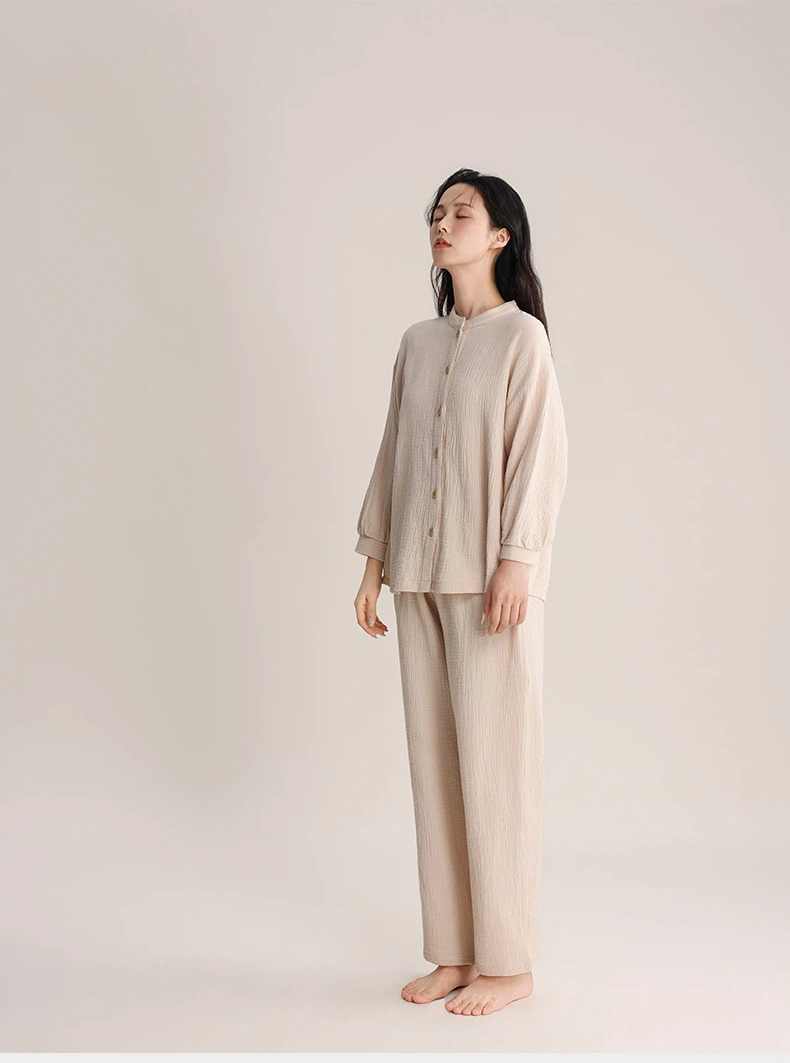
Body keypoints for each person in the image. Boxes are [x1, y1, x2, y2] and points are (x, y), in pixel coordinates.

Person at [353, 168, 569, 1017]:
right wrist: (374, 558)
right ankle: (455, 948)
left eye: (461, 213)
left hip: (490, 583)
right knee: (436, 767)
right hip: (417, 572)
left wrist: (518, 558)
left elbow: (540, 454)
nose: (443, 224)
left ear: (500, 235)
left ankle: (508, 961)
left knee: (497, 766)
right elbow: (393, 450)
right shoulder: (418, 342)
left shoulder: (523, 340)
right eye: (437, 213)